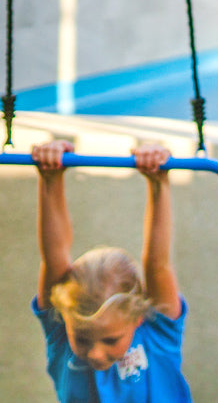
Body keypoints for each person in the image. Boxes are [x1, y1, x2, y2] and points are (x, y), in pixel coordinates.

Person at [31, 138, 192, 402]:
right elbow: (54, 257)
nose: (95, 353)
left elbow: (157, 264)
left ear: (138, 317)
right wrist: (50, 178)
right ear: (65, 319)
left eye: (110, 340)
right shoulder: (60, 329)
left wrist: (158, 182)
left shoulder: (157, 333)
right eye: (82, 339)